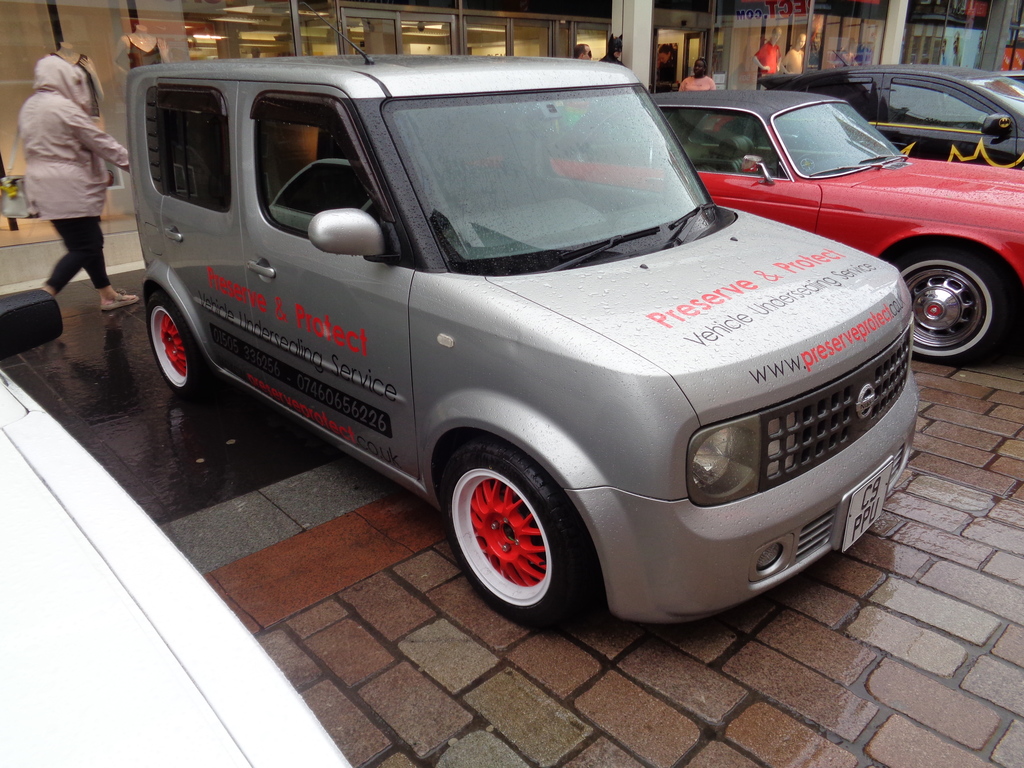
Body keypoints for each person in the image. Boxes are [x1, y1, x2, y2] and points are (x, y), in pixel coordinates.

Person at [18, 54, 137, 310]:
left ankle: (107, 294)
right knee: (86, 247)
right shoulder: (62, 107)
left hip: (44, 187)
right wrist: (136, 165)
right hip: (69, 188)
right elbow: (100, 142)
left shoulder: (31, 105)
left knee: (87, 244)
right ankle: (40, 299)